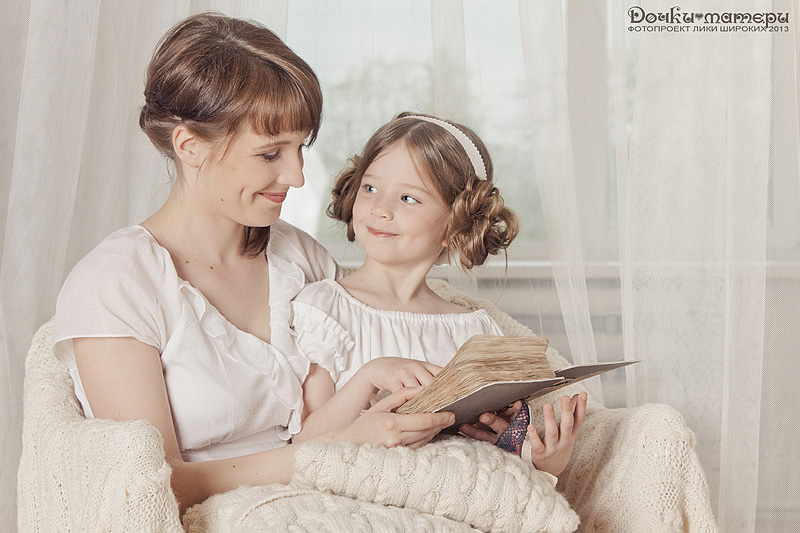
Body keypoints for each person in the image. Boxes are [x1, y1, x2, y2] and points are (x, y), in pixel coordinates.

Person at [52, 14, 454, 514]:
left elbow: (364, 396)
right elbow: (152, 487)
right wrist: (337, 449)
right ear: (189, 146)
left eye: (300, 148)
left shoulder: (302, 258)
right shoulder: (116, 283)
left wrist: (462, 416)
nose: (297, 176)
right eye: (269, 154)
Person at [288, 112, 588, 477]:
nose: (380, 208)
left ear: (455, 225)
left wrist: (541, 463)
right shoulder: (325, 309)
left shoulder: (475, 331)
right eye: (370, 188)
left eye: (407, 198)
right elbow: (303, 446)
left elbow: (486, 460)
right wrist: (369, 376)